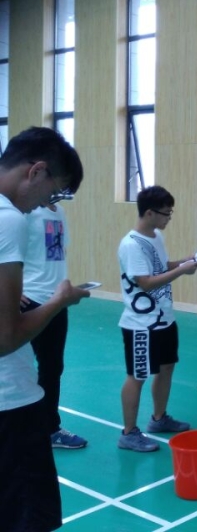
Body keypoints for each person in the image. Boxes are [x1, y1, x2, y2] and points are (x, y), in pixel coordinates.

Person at [0, 126, 88, 532]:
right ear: (36, 171)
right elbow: (6, 339)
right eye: (53, 191)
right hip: (10, 404)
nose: (47, 203)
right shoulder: (10, 219)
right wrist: (58, 301)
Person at [117, 185, 197, 452]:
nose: (169, 218)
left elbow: (160, 267)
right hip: (141, 325)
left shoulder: (156, 236)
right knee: (137, 375)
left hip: (164, 318)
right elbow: (145, 282)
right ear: (150, 213)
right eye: (166, 213)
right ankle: (129, 433)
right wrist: (182, 271)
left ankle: (159, 418)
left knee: (166, 368)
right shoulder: (131, 244)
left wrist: (183, 263)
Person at [23, 201, 89, 449]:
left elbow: (58, 253)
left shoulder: (59, 211)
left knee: (52, 367)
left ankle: (49, 428)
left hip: (56, 301)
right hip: (30, 299)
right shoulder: (24, 211)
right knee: (19, 368)